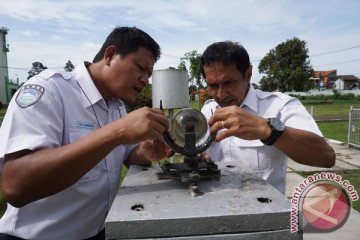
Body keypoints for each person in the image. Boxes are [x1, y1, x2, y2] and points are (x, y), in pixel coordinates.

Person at [0, 27, 172, 239]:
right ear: (110, 56)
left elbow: (126, 156)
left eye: (148, 74)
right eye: (140, 68)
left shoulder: (117, 106)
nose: (145, 80)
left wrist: (147, 152)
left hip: (97, 232)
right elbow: (16, 186)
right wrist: (117, 132)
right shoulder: (51, 90)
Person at [200, 41, 336, 194]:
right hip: (215, 211)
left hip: (264, 214)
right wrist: (197, 162)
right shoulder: (208, 109)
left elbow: (326, 157)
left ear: (248, 74)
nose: (221, 94)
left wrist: (268, 130)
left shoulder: (280, 106)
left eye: (229, 83)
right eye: (212, 85)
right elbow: (201, 156)